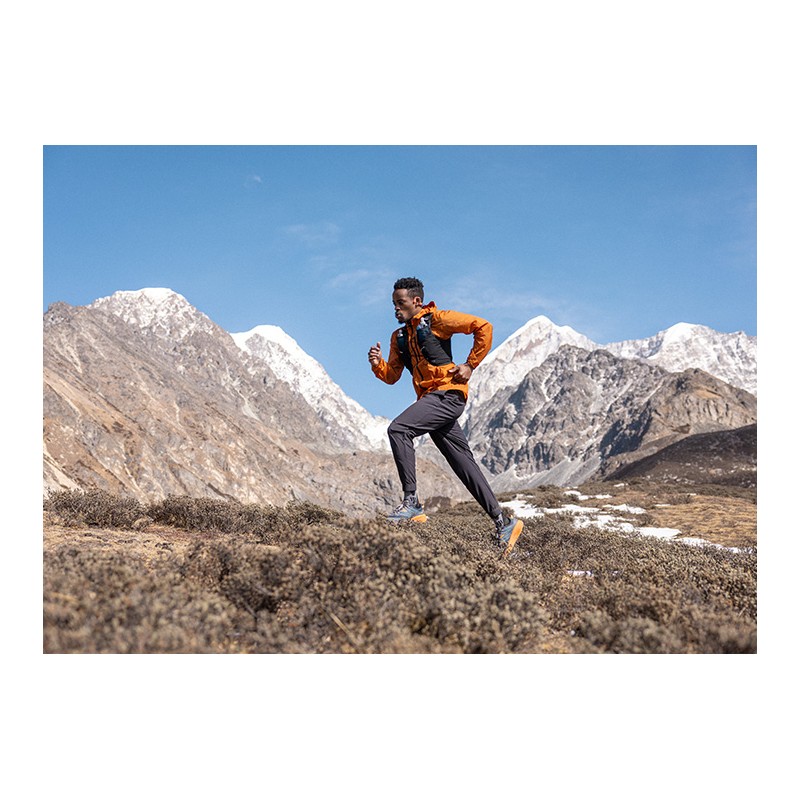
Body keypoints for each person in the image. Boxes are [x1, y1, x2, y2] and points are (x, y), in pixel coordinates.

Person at [368, 276, 524, 557]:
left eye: (400, 303)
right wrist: (378, 364)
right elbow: (392, 376)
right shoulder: (399, 337)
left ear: (416, 301)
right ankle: (503, 522)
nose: (395, 309)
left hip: (448, 395)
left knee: (399, 430)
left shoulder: (437, 319)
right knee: (463, 464)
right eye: (393, 304)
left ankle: (412, 502)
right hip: (431, 401)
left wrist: (470, 365)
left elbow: (483, 327)